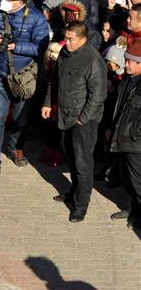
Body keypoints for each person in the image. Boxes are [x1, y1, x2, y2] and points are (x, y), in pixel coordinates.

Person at [0, 0, 48, 177]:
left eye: (11, 0)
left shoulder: (35, 18)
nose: (6, 2)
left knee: (21, 118)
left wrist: (15, 47)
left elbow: (41, 47)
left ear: (22, 2)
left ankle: (15, 146)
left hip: (22, 77)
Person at [43, 21, 107, 221]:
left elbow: (98, 96)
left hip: (82, 121)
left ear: (83, 39)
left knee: (83, 162)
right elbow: (55, 81)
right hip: (65, 115)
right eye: (66, 37)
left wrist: (82, 119)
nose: (67, 42)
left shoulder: (93, 61)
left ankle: (81, 205)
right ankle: (74, 191)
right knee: (70, 156)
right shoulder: (65, 53)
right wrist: (47, 103)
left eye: (71, 39)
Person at [108, 42, 141, 229]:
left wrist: (130, 132)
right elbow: (119, 107)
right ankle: (132, 209)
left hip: (136, 142)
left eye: (130, 62)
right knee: (127, 178)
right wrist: (112, 129)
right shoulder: (128, 80)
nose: (125, 64)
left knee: (138, 181)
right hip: (121, 136)